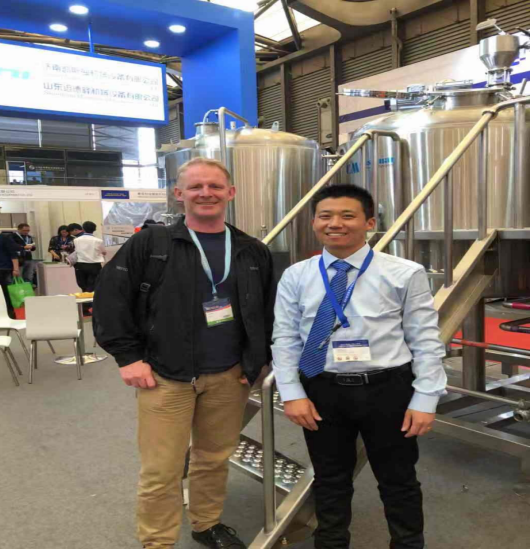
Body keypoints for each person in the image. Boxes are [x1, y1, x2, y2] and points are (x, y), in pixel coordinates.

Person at [93, 157, 276, 550]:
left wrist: (256, 360)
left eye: (214, 186)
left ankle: (206, 524)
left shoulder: (251, 251)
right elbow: (111, 297)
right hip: (164, 376)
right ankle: (157, 541)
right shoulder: (152, 243)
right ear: (179, 194)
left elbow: (267, 310)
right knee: (162, 468)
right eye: (195, 187)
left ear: (231, 193)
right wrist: (128, 357)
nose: (205, 193)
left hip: (229, 376)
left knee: (214, 458)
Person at [272, 184, 447, 550]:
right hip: (322, 389)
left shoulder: (404, 273)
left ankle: (408, 544)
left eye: (347, 216)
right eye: (325, 216)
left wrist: (425, 398)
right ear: (314, 222)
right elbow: (285, 338)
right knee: (330, 478)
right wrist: (291, 393)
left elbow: (426, 340)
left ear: (369, 223)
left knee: (398, 480)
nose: (335, 223)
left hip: (388, 390)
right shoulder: (296, 276)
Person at [71, 221, 106, 293]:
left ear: (83, 229)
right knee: (93, 286)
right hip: (94, 265)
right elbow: (104, 252)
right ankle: (91, 299)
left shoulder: (76, 240)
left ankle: (85, 298)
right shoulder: (99, 241)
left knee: (83, 285)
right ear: (94, 229)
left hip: (80, 265)